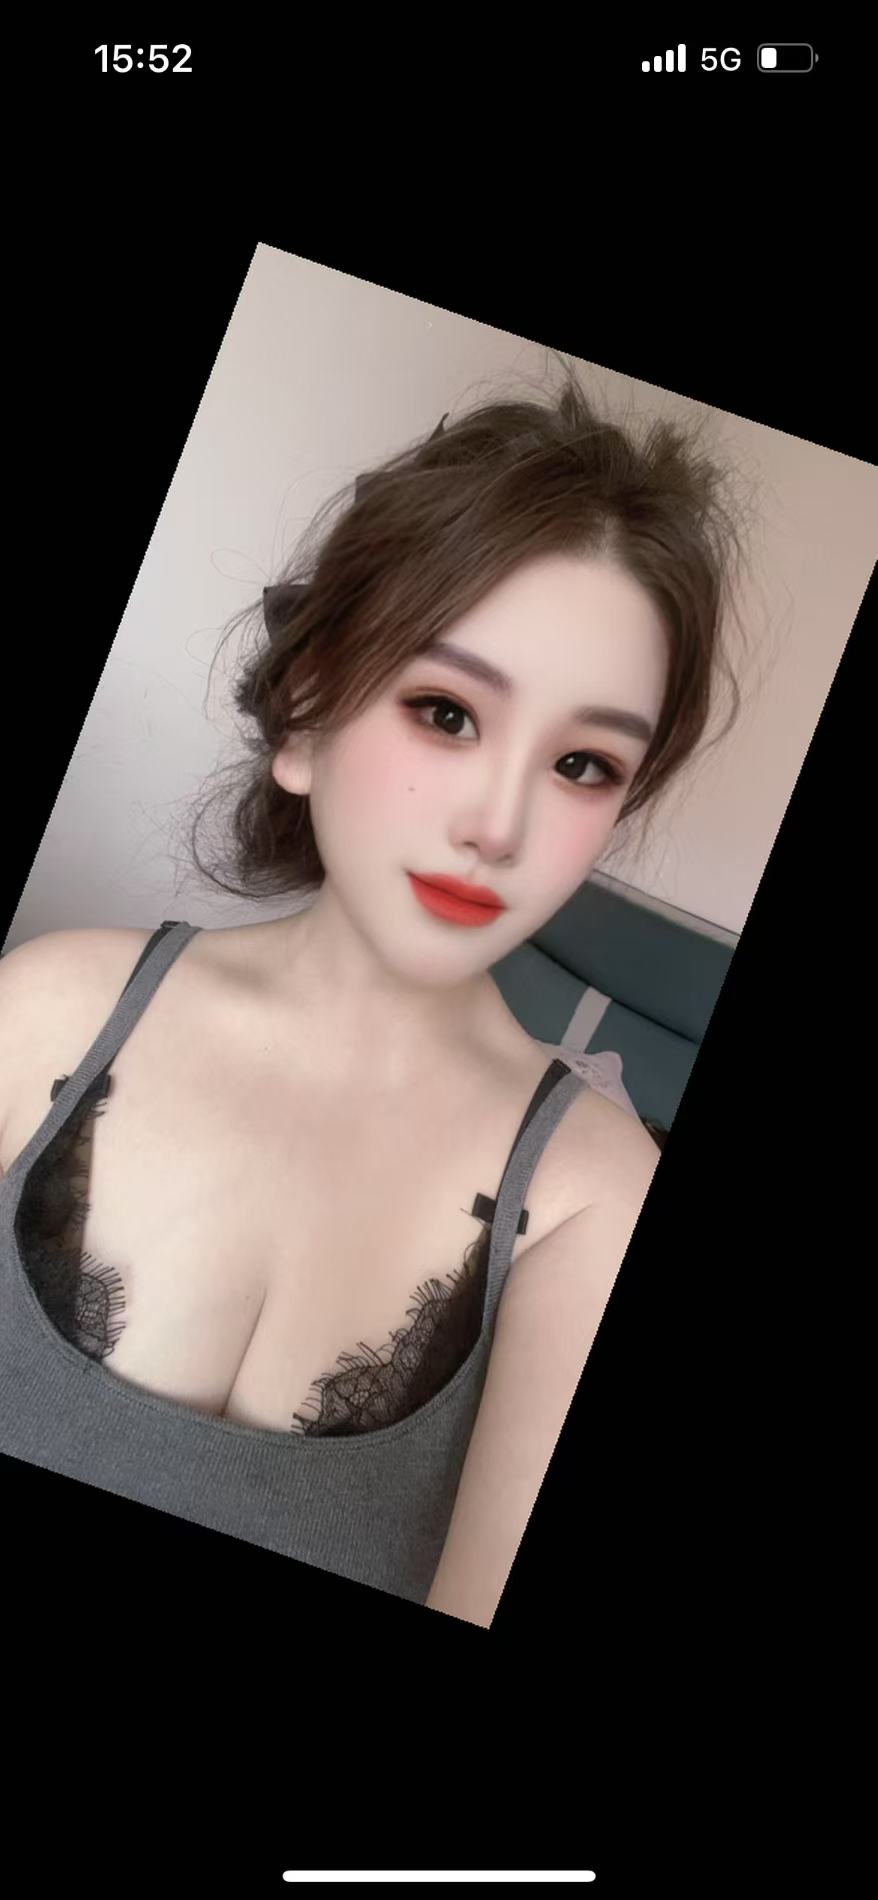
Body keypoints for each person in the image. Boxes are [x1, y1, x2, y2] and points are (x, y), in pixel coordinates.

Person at [0, 361, 749, 1623]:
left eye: (581, 764)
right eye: (445, 712)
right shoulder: (43, 1009)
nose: (498, 824)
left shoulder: (595, 1203)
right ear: (304, 717)